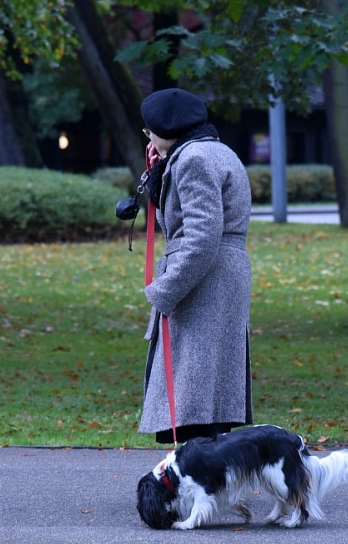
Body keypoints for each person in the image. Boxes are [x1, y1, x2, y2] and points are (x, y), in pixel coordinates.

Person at [138, 88, 253, 444]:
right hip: (219, 274)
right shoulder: (216, 150)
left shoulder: (193, 159)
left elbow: (202, 234)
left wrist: (165, 289)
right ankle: (210, 480)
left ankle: (195, 482)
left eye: (149, 132)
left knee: (194, 389)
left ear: (164, 130)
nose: (149, 139)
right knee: (208, 389)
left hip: (205, 279)